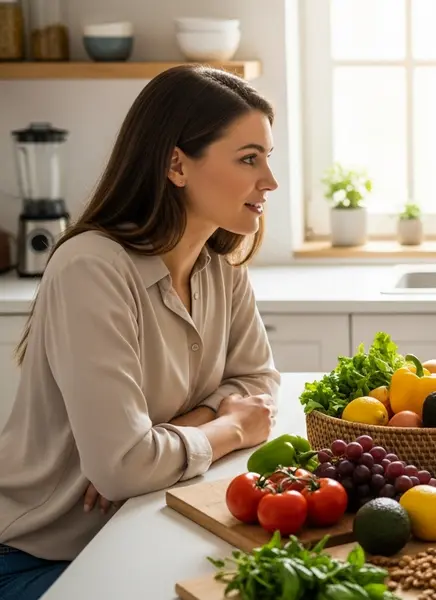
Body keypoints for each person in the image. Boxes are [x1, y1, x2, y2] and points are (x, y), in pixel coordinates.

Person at [0, 65, 281, 599]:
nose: (269, 180)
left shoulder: (221, 265)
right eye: (249, 158)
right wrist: (229, 430)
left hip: (133, 526)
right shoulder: (91, 267)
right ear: (176, 164)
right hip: (36, 557)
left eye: (268, 158)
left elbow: (258, 386)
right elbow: (127, 469)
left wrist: (163, 439)